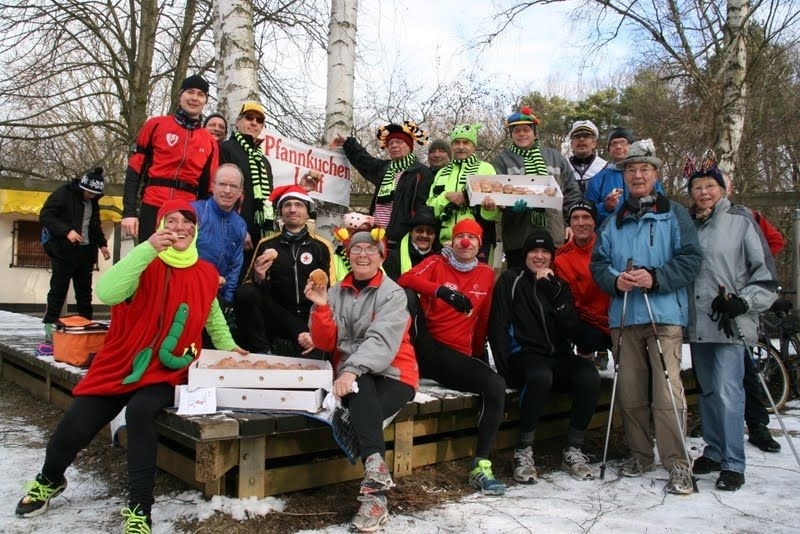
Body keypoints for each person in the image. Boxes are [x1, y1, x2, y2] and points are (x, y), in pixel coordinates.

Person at [16, 199, 246, 533]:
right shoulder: (142, 260)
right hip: (121, 361)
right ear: (160, 225)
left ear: (196, 229)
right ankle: (49, 479)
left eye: (188, 221)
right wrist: (147, 249)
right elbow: (108, 292)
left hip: (168, 369)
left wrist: (229, 349)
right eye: (172, 220)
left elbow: (211, 315)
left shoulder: (206, 272)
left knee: (140, 412)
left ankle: (140, 508)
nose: (180, 227)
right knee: (76, 424)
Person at [590, 139, 702, 495]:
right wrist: (614, 281)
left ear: (655, 175)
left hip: (664, 315)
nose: (637, 176)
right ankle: (640, 454)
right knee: (630, 392)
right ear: (624, 176)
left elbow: (691, 259)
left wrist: (656, 277)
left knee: (667, 393)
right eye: (631, 171)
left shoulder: (674, 214)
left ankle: (678, 463)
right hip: (624, 316)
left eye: (644, 170)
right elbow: (598, 264)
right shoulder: (613, 222)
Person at [305, 227, 418, 533]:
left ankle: (375, 488)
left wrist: (351, 369)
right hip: (355, 378)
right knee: (360, 390)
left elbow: (381, 341)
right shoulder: (335, 292)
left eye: (370, 249)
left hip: (395, 374)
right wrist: (321, 307)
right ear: (348, 255)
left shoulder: (393, 294)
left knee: (357, 409)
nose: (363, 254)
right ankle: (376, 485)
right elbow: (326, 342)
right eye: (356, 249)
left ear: (381, 256)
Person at [684, 152, 778, 492]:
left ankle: (734, 462)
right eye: (697, 187)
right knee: (708, 390)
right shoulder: (689, 224)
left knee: (728, 391)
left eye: (710, 186)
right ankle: (714, 449)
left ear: (722, 189)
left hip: (730, 321)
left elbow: (764, 274)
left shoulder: (741, 220)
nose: (704, 192)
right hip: (700, 323)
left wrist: (744, 301)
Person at [398, 218, 506, 496]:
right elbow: (405, 280)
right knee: (407, 295)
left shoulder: (486, 273)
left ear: (479, 245)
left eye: (472, 238)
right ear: (452, 241)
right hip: (427, 345)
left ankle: (481, 464)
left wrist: (477, 354)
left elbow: (482, 318)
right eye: (460, 236)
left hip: (456, 356)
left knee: (495, 384)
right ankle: (405, 359)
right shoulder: (437, 263)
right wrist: (442, 292)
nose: (465, 242)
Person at [489, 228, 600, 484]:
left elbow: (572, 328)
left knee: (589, 376)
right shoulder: (511, 279)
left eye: (545, 252)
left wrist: (554, 294)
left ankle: (574, 448)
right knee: (540, 375)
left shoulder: (559, 284)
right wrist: (505, 370)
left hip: (558, 356)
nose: (539, 256)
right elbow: (498, 325)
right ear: (525, 254)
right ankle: (524, 450)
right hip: (524, 355)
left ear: (551, 256)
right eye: (534, 251)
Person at [722, 173, 784, 453]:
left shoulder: (747, 216)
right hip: (711, 307)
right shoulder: (694, 218)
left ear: (729, 188)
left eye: (719, 186)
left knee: (746, 366)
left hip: (742, 300)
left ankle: (757, 424)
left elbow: (774, 243)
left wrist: (747, 271)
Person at [234, 185, 332, 357]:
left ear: (307, 212)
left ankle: (306, 338)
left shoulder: (321, 246)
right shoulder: (266, 244)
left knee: (314, 357)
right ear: (280, 212)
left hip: (309, 314)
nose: (292, 209)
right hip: (277, 313)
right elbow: (249, 288)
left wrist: (319, 324)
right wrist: (259, 276)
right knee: (245, 292)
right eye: (287, 205)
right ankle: (263, 350)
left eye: (298, 205)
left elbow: (332, 289)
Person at [122, 74, 218, 242]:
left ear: (205, 100)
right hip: (153, 204)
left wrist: (202, 219)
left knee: (181, 257)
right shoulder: (156, 125)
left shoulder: (210, 141)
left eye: (200, 94)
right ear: (180, 95)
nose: (195, 98)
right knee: (149, 256)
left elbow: (207, 189)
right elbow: (135, 170)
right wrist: (129, 212)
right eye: (190, 92)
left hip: (187, 209)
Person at [492, 107, 582, 268]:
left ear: (534, 132)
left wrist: (570, 222)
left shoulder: (555, 157)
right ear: (511, 134)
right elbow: (497, 194)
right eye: (517, 131)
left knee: (553, 278)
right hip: (518, 237)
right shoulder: (502, 160)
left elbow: (571, 192)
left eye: (526, 130)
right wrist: (511, 207)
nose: (521, 134)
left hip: (554, 234)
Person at [330, 120, 432, 248]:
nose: (394, 145)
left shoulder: (421, 172)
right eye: (390, 143)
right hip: (374, 234)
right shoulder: (384, 168)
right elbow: (364, 161)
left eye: (399, 142)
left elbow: (423, 208)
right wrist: (347, 143)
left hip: (402, 239)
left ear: (409, 146)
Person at [39, 167, 111, 343]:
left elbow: (94, 225)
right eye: (89, 193)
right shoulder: (63, 194)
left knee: (84, 293)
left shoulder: (93, 202)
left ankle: (86, 326)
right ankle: (49, 325)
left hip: (85, 252)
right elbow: (46, 216)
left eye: (95, 194)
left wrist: (102, 244)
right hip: (64, 250)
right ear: (82, 187)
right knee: (58, 289)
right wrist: (67, 231)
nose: (91, 196)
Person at [427, 123, 499, 262]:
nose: (460, 147)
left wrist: (489, 208)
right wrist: (446, 196)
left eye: (466, 142)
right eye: (456, 142)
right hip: (445, 242)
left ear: (474, 146)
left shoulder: (486, 169)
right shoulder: (442, 172)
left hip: (478, 242)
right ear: (452, 146)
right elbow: (430, 206)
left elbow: (493, 213)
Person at [219, 101, 276, 273]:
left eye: (259, 120)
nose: (254, 123)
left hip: (258, 238)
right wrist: (240, 229)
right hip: (230, 233)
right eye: (249, 118)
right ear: (238, 122)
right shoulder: (225, 149)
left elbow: (270, 199)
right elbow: (221, 194)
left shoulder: (263, 161)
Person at [554, 200, 612, 368]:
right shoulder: (560, 257)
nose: (581, 223)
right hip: (585, 322)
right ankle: (584, 367)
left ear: (594, 221)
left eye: (586, 217)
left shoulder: (609, 248)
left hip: (614, 319)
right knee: (586, 337)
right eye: (575, 218)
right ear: (570, 224)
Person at [191, 163, 248, 308]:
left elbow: (235, 267)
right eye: (222, 184)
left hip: (218, 295)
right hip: (191, 287)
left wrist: (227, 301)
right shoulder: (194, 212)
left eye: (233, 186)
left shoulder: (240, 224)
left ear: (240, 192)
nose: (227, 191)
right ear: (212, 186)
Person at [383, 207, 441, 281]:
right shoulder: (394, 258)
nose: (424, 235)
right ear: (411, 233)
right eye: (419, 231)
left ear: (434, 236)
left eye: (429, 232)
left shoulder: (442, 257)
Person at [567, 120, 607, 193]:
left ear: (594, 143)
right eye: (577, 136)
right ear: (572, 144)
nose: (581, 139)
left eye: (586, 136)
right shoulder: (563, 167)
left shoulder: (604, 168)